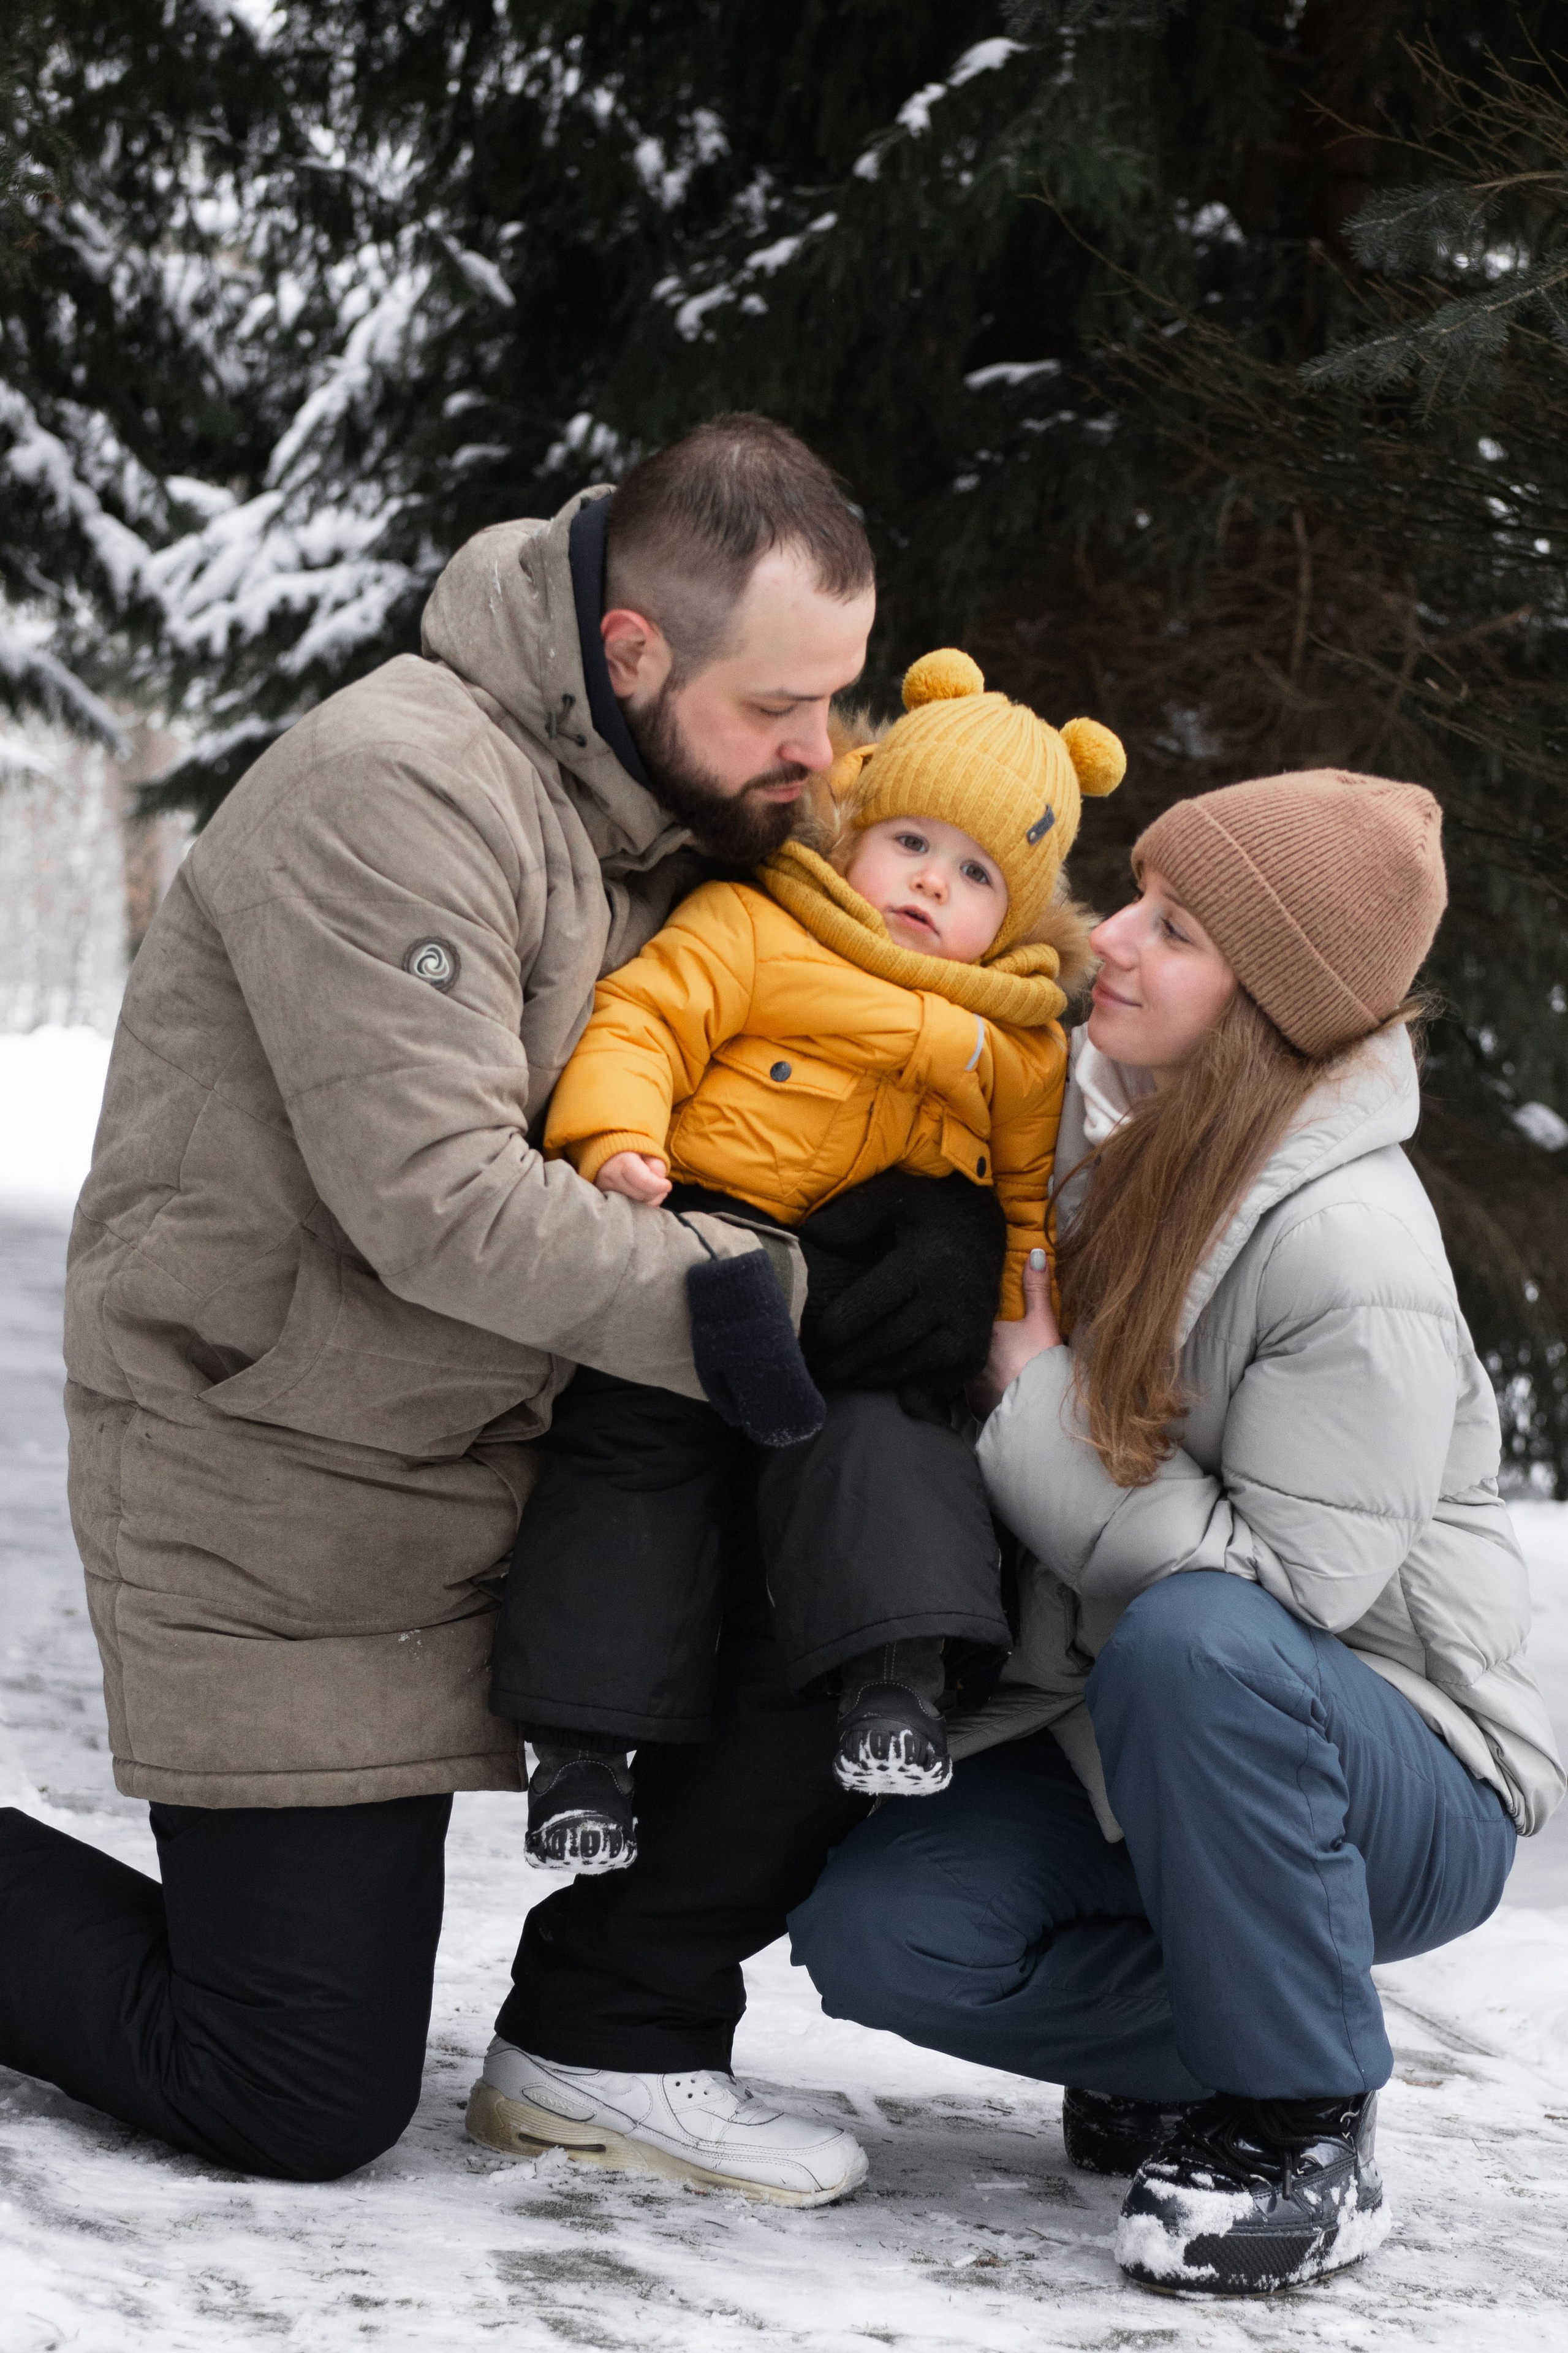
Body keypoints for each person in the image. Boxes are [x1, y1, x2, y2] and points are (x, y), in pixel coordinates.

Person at [0, 415, 1006, 2204]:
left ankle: (616, 2032)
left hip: (533, 1458)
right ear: (632, 653)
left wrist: (925, 1232)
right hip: (295, 1487)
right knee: (293, 2087)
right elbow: (443, 1203)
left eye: (839, 699)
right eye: (783, 708)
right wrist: (785, 1295)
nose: (824, 757)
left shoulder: (702, 812)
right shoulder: (396, 791)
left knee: (876, 1521)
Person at [790, 766, 1566, 2290]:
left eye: (1176, 932)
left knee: (1201, 1640)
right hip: (1131, 1725)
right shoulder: (1099, 1142)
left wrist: (1032, 1403)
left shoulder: (1350, 1245)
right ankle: (1220, 2030)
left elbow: (1282, 1600)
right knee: (881, 1933)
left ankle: (1297, 2117)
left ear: (1268, 1009)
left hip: (1403, 1761)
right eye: (1135, 901)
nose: (1111, 943)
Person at [488, 650, 1122, 1870]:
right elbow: (645, 1023)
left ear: (1019, 912)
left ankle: (892, 1686)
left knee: (893, 1447)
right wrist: (616, 1140)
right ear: (854, 828)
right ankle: (580, 1753)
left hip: (875, 1295)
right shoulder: (759, 919)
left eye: (975, 873)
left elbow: (1027, 1200)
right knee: (632, 1456)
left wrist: (1008, 1330)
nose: (931, 885)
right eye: (912, 845)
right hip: (706, 1239)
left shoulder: (1019, 1036)